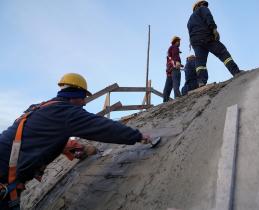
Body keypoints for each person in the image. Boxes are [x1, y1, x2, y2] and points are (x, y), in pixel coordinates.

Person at [0, 73, 151, 209]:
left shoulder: (43, 109)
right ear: (76, 95)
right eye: (84, 98)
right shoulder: (64, 112)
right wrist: (137, 136)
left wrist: (81, 150)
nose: (85, 103)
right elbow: (102, 127)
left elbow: (50, 141)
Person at [187, 0, 242, 87]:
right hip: (206, 36)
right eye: (203, 4)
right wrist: (214, 29)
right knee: (222, 52)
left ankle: (201, 82)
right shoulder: (202, 9)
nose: (205, 6)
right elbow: (208, 16)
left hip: (195, 42)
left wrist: (193, 44)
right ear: (198, 6)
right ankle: (236, 72)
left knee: (200, 63)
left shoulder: (189, 20)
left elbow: (190, 33)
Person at [163, 36, 183, 102]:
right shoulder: (175, 47)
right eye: (179, 41)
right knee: (176, 82)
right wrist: (177, 62)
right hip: (174, 68)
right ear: (176, 41)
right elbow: (175, 55)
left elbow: (170, 59)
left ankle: (165, 100)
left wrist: (180, 64)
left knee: (168, 86)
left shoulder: (169, 50)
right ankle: (177, 97)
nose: (179, 43)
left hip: (169, 70)